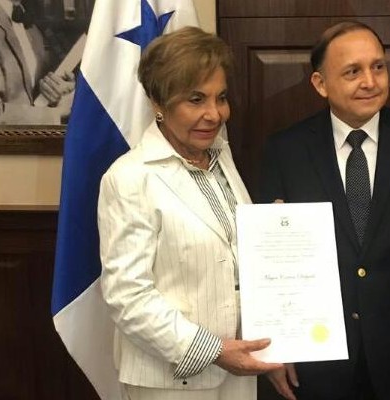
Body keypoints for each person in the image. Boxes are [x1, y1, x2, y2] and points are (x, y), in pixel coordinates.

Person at [259, 21, 390, 400]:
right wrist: (277, 350)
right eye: (352, 71)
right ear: (321, 84)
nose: (370, 81)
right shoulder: (285, 151)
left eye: (378, 67)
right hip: (317, 356)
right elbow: (272, 266)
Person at [97, 26, 282, 400]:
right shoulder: (130, 177)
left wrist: (271, 229)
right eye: (196, 99)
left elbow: (221, 252)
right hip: (170, 379)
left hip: (238, 364)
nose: (214, 114)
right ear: (158, 103)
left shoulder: (221, 157)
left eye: (221, 97)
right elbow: (127, 296)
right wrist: (213, 350)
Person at [0, 0, 75, 124]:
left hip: (35, 140)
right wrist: (58, 113)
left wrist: (58, 92)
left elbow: (32, 96)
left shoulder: (25, 15)